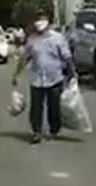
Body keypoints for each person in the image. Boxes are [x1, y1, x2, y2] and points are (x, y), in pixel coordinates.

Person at [12, 10, 76, 145]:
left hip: (55, 78)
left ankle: (54, 129)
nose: (39, 22)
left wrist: (72, 73)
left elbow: (67, 57)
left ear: (48, 22)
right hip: (37, 79)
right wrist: (16, 74)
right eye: (37, 20)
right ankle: (37, 132)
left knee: (54, 108)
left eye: (42, 19)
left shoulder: (58, 38)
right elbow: (24, 58)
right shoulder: (32, 40)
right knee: (36, 108)